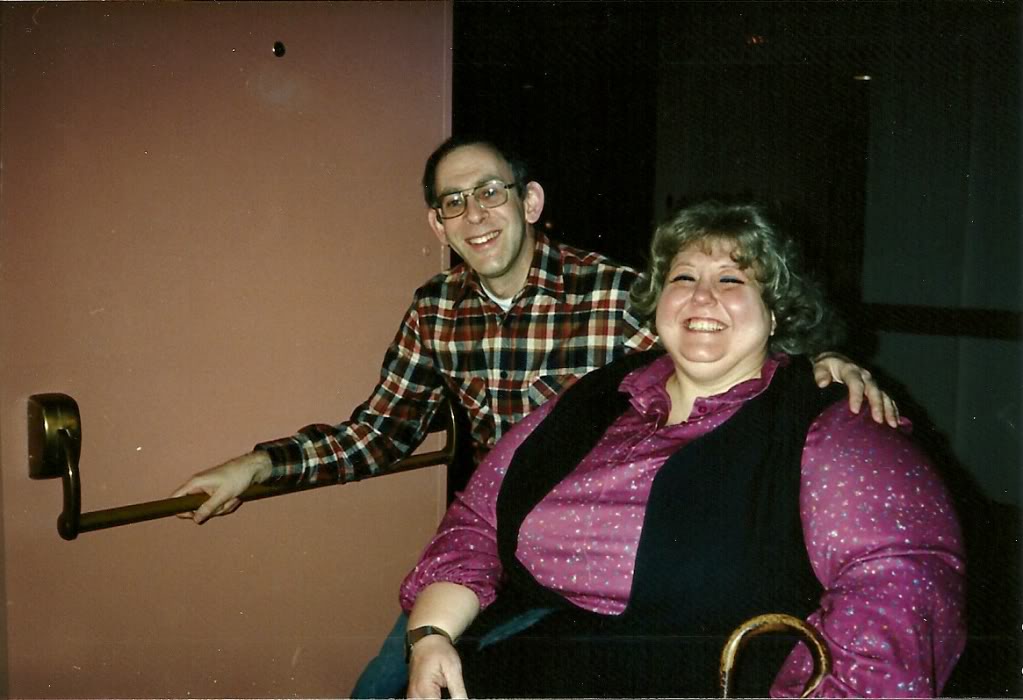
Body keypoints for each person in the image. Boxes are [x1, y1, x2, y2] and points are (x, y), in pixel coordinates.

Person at [172, 137, 899, 697]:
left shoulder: (614, 293)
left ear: (530, 202)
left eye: (490, 191)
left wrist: (823, 363)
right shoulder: (436, 311)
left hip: (600, 567)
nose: (474, 213)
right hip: (483, 548)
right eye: (453, 201)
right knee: (383, 686)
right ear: (437, 223)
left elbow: (725, 339)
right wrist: (259, 465)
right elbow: (380, 432)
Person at [399, 200, 965, 699]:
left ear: (776, 310)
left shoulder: (837, 426)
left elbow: (900, 595)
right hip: (521, 658)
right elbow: (478, 519)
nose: (702, 296)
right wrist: (430, 636)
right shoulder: (597, 394)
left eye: (732, 279)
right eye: (684, 277)